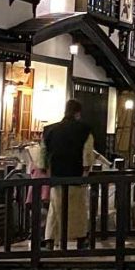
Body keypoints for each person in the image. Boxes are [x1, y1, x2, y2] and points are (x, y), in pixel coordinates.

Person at [39, 99, 94, 249]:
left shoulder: (49, 130)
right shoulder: (85, 130)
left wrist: (44, 168)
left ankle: (50, 240)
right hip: (76, 175)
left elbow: (42, 152)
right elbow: (87, 153)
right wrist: (86, 171)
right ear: (78, 113)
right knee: (78, 209)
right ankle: (81, 239)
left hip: (56, 175)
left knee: (55, 209)